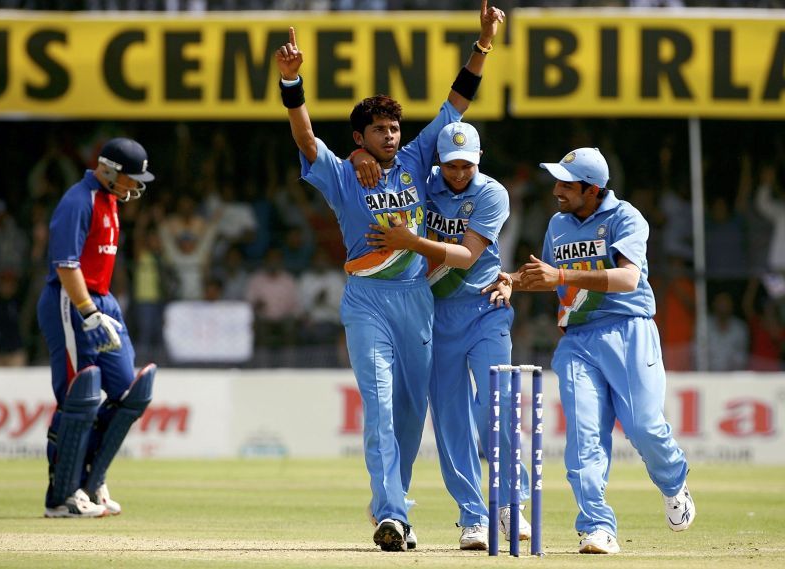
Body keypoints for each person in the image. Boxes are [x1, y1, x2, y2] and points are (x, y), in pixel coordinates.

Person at [275, 0, 504, 552]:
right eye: (380, 130)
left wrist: (483, 45)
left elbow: (457, 104)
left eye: (396, 128)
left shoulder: (417, 158)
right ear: (360, 138)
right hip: (367, 300)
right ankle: (392, 516)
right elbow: (306, 140)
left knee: (409, 412)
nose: (393, 136)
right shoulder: (341, 173)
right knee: (377, 404)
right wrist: (293, 84)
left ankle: (394, 505)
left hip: (415, 299)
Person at [487, 147, 695, 554]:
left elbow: (629, 278)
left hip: (628, 331)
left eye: (566, 184)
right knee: (582, 440)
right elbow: (547, 278)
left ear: (592, 188)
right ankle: (597, 526)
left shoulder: (625, 217)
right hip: (578, 340)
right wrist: (513, 279)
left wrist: (563, 273)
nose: (557, 191)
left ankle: (673, 483)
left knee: (643, 427)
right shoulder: (558, 224)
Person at [363, 122, 530, 551]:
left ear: (479, 160)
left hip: (485, 309)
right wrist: (358, 156)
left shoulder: (492, 193)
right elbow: (380, 170)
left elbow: (467, 255)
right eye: (452, 165)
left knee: (500, 403)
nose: (459, 174)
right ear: (438, 162)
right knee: (451, 420)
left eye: (467, 165)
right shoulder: (425, 183)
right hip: (433, 316)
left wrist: (411, 241)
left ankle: (511, 504)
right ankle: (473, 517)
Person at [37, 137, 156, 518]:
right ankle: (63, 495)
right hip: (70, 301)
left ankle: (92, 481)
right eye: (131, 178)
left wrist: (104, 307)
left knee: (129, 391)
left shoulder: (110, 200)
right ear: (107, 170)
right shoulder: (78, 200)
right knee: (81, 394)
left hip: (101, 300)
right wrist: (87, 311)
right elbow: (66, 266)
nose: (135, 186)